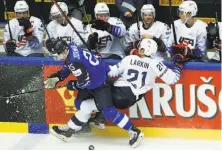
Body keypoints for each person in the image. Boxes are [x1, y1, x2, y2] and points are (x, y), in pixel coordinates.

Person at [44, 39, 144, 148]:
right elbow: (68, 66)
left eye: (59, 53)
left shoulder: (74, 60)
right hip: (96, 77)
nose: (59, 56)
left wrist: (73, 85)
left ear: (65, 49)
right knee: (79, 103)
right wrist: (59, 76)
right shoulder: (72, 47)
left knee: (108, 111)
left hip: (100, 83)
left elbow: (84, 82)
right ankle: (77, 127)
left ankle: (134, 131)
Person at [89, 38, 186, 130]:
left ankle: (100, 116)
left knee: (102, 85)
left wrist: (99, 60)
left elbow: (110, 72)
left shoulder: (129, 58)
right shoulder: (155, 63)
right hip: (132, 98)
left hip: (118, 91)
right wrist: (179, 63)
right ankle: (101, 116)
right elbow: (173, 79)